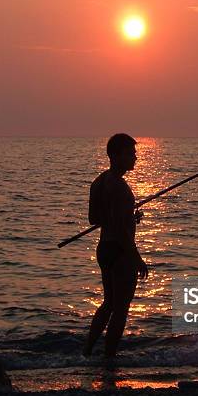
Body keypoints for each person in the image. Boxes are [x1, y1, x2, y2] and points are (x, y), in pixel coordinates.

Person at [82, 133, 148, 359]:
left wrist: (128, 216)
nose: (135, 158)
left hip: (104, 249)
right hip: (121, 252)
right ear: (114, 155)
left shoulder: (99, 182)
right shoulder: (119, 187)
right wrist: (137, 258)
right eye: (130, 154)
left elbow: (94, 219)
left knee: (109, 303)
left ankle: (88, 351)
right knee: (120, 310)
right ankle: (109, 358)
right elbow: (121, 231)